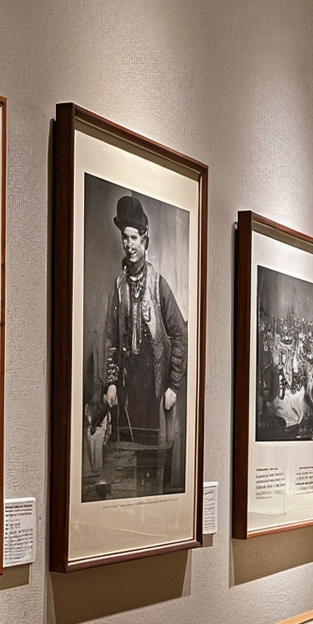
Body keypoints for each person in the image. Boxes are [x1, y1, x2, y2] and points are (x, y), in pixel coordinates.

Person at [103, 193, 187, 482]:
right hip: (130, 387)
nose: (129, 245)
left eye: (134, 238)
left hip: (155, 386)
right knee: (127, 459)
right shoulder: (119, 286)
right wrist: (112, 382)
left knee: (155, 457)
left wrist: (174, 385)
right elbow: (111, 338)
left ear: (145, 240)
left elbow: (179, 333)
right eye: (125, 238)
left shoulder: (158, 284)